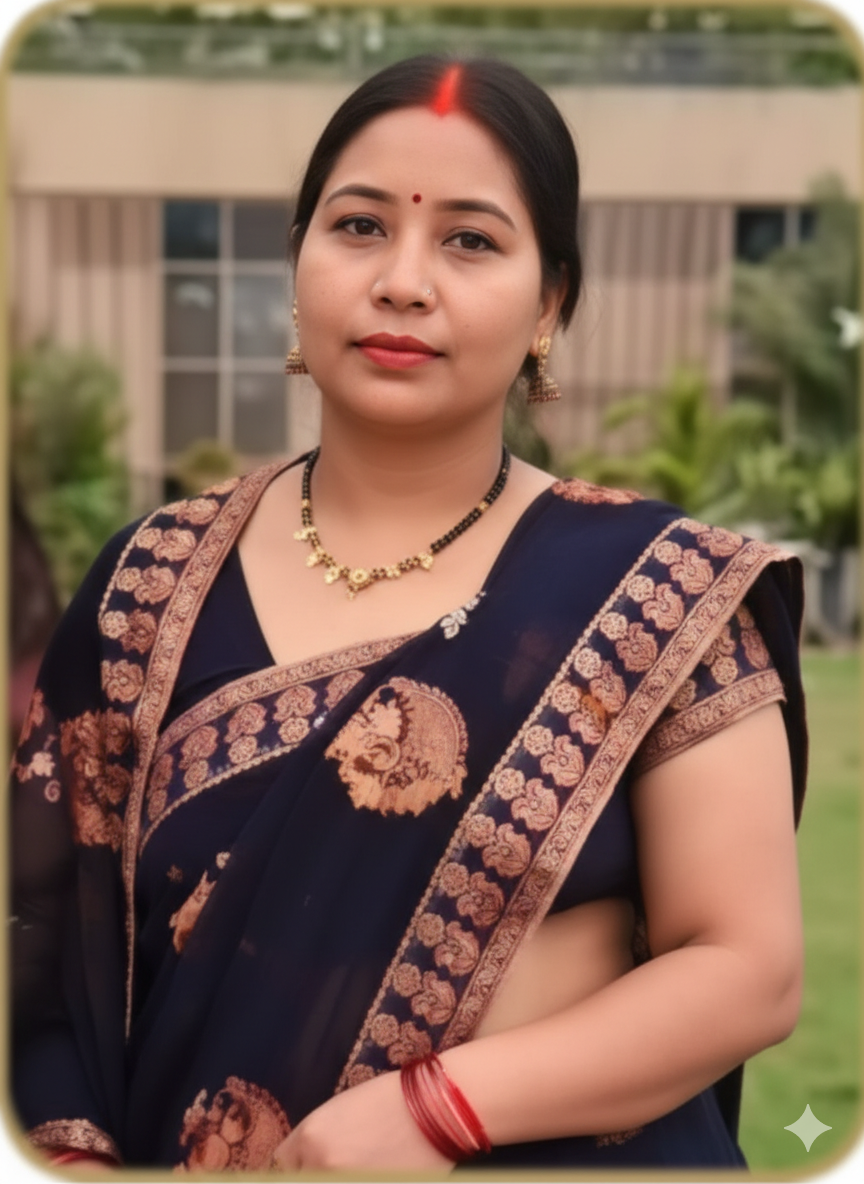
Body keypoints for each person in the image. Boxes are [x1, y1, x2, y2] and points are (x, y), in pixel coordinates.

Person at [11, 55, 806, 1173]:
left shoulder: (660, 592)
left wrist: (437, 1110)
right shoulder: (145, 584)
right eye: (359, 226)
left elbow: (746, 968)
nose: (403, 281)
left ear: (551, 302)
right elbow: (42, 960)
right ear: (297, 263)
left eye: (470, 239)